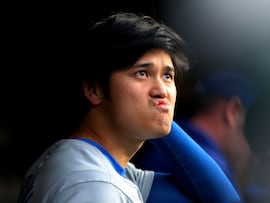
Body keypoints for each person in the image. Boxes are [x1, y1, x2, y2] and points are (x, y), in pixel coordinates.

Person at [17, 12, 241, 203]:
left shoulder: (85, 160)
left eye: (167, 76)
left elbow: (220, 198)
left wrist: (157, 116)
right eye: (142, 73)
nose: (162, 90)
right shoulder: (94, 185)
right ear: (94, 90)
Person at [132, 69, 270, 203]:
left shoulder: (167, 146)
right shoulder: (211, 165)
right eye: (255, 130)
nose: (261, 153)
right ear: (233, 111)